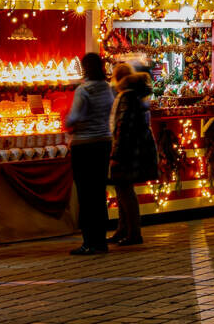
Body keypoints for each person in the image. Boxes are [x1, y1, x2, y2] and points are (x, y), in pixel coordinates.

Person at [65, 52, 114, 254]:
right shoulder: (107, 88)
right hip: (103, 142)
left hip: (84, 144)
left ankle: (88, 241)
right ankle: (100, 240)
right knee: (98, 192)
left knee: (85, 194)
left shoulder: (83, 90)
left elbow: (74, 117)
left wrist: (68, 122)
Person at [110, 65, 157, 243]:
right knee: (123, 189)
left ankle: (132, 232)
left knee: (124, 190)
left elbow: (123, 127)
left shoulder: (126, 96)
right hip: (135, 148)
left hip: (127, 150)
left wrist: (116, 154)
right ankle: (124, 229)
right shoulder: (138, 95)